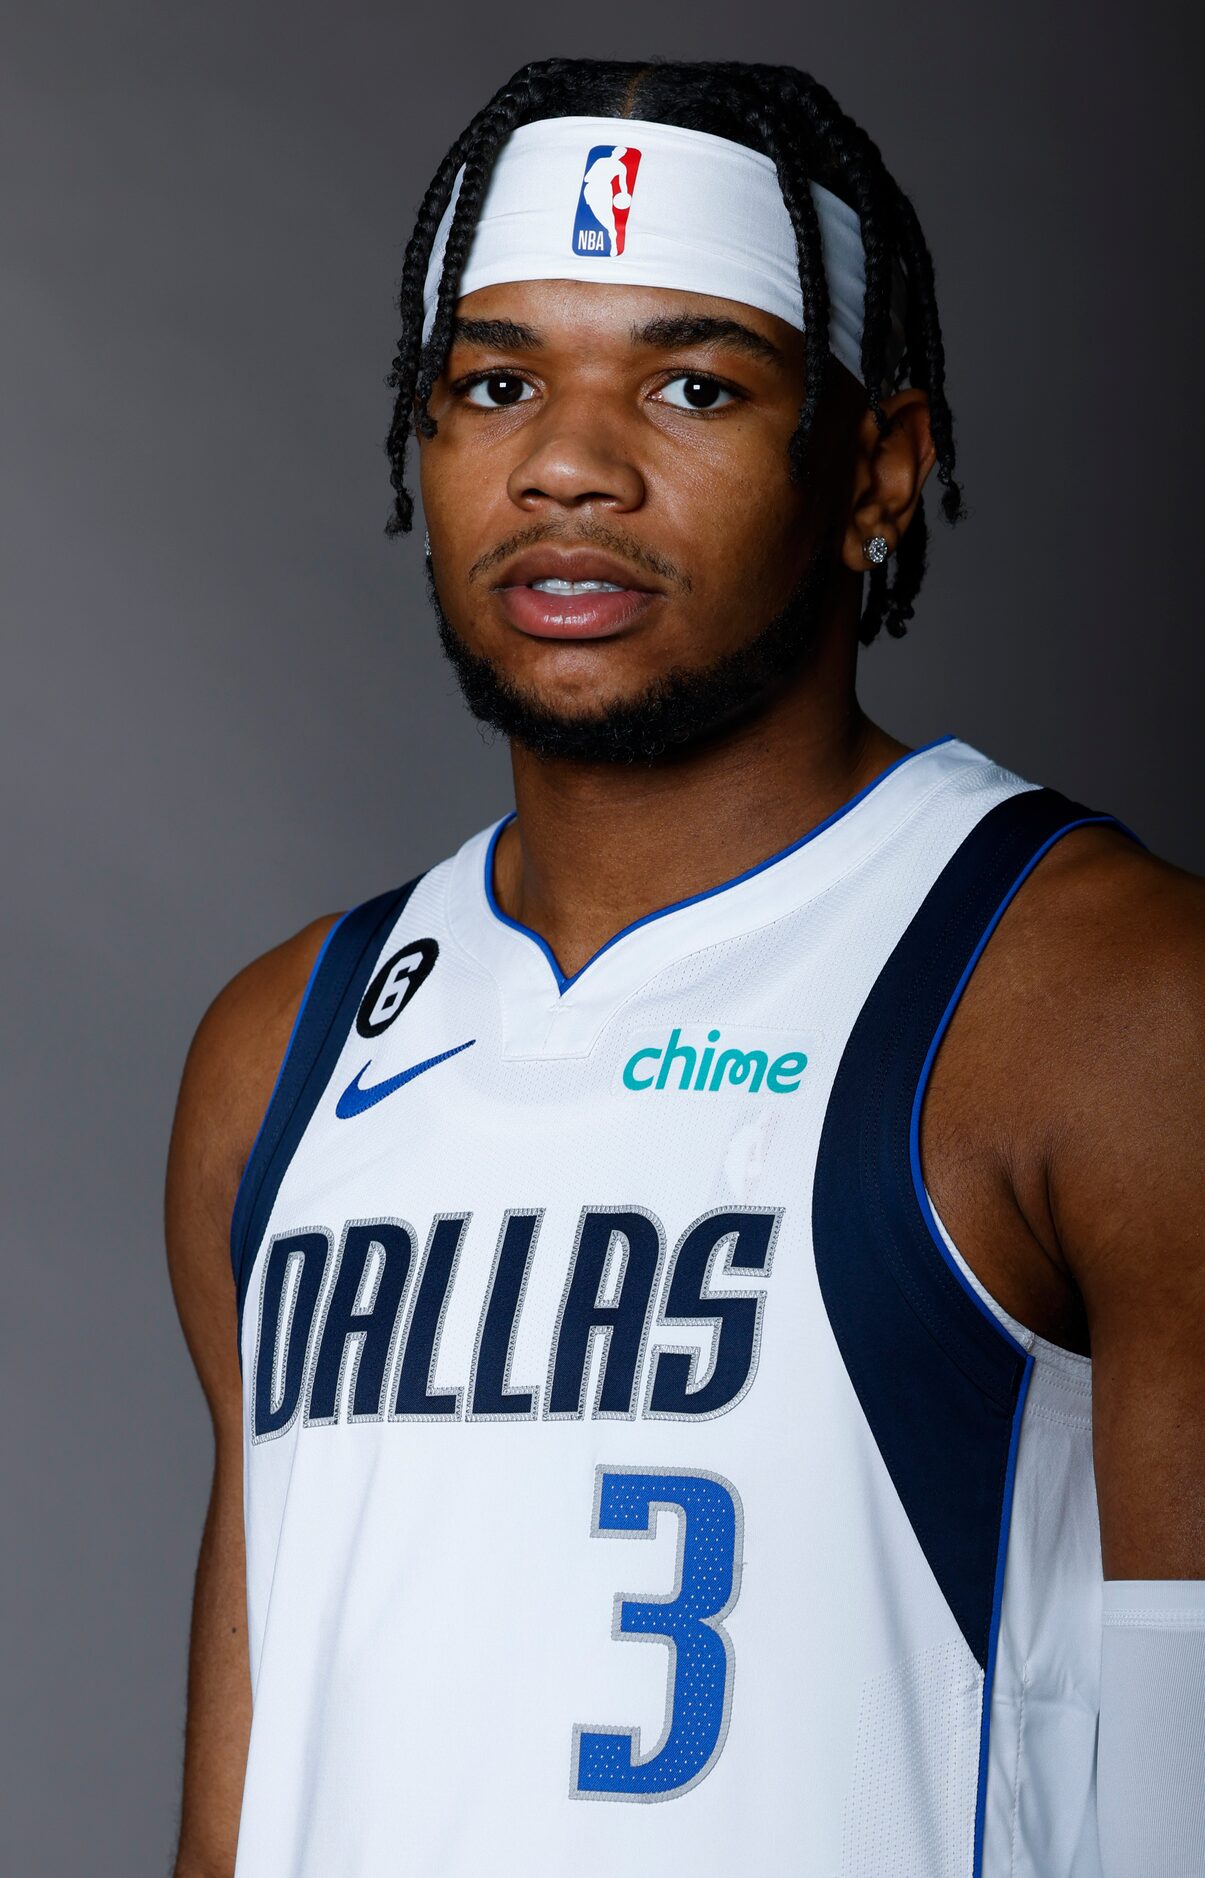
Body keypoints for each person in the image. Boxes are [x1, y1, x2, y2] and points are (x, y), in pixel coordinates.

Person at [167, 57, 1204, 1878]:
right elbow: (246, 1813)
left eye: (692, 381)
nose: (567, 461)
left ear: (877, 468)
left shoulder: (1102, 1004)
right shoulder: (284, 1045)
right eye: (495, 382)